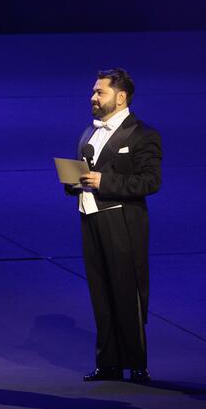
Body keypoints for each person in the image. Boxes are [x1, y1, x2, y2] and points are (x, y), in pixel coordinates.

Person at [67, 68, 162, 384]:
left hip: (122, 220)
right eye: (94, 92)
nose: (93, 97)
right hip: (91, 217)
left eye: (100, 92)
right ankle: (107, 361)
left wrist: (103, 181)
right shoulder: (88, 133)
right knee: (101, 291)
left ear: (121, 98)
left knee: (126, 290)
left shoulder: (142, 134)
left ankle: (136, 363)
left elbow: (149, 181)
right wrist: (73, 181)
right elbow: (84, 174)